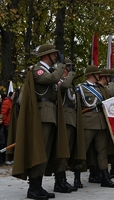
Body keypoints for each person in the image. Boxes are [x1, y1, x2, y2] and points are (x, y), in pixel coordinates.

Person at [12, 44, 69, 199]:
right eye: (54, 54)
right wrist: (62, 65)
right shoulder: (38, 70)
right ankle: (33, 188)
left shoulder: (48, 71)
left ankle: (38, 185)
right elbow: (53, 79)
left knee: (45, 152)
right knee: (39, 151)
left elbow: (61, 85)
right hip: (43, 115)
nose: (57, 57)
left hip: (50, 115)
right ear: (46, 56)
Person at [77, 66, 114, 188]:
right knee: (82, 150)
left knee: (102, 151)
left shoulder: (100, 89)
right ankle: (77, 178)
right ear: (92, 75)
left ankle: (105, 177)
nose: (99, 76)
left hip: (101, 123)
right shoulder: (81, 88)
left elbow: (109, 96)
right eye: (97, 74)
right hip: (88, 122)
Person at [59, 58, 86, 190]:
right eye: (66, 68)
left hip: (73, 120)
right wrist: (69, 75)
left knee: (70, 151)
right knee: (63, 151)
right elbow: (63, 87)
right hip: (65, 120)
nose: (68, 71)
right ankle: (60, 180)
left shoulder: (71, 85)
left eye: (69, 68)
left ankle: (64, 179)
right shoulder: (60, 81)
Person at [1, 91, 14, 165]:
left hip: (10, 124)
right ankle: (6, 158)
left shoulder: (10, 102)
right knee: (7, 141)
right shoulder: (7, 102)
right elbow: (4, 113)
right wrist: (6, 123)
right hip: (7, 124)